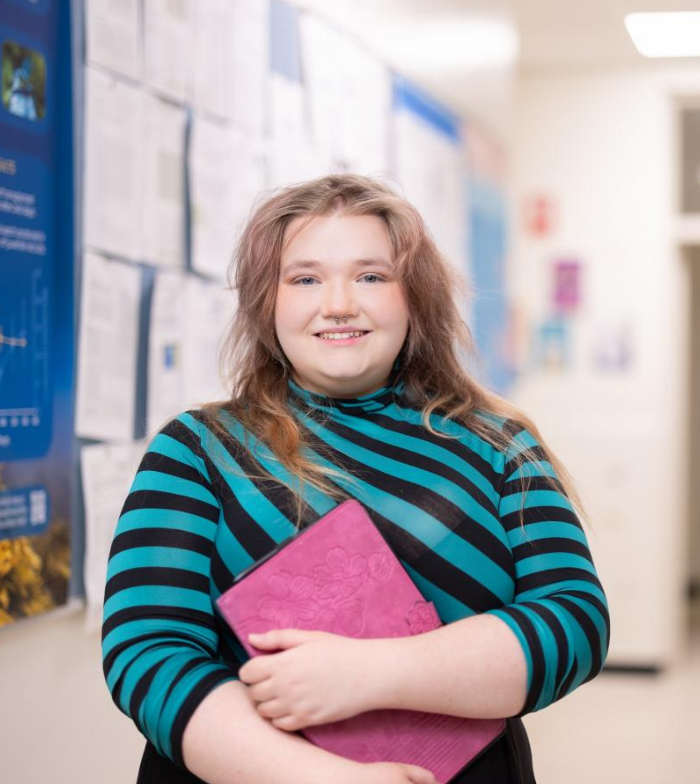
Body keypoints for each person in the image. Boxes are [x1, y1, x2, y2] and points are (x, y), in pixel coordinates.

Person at [102, 174, 610, 784]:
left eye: (372, 276)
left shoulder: (499, 445)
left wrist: (371, 673)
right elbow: (148, 656)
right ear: (269, 301)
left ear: (413, 298)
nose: (339, 303)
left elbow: (575, 621)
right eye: (305, 278)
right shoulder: (197, 450)